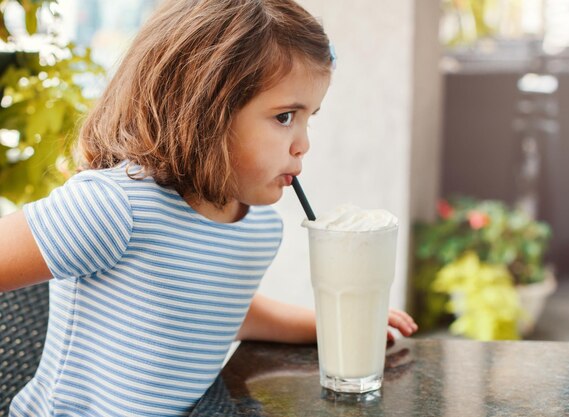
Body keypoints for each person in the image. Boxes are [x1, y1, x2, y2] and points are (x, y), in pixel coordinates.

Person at [0, 1, 418, 416]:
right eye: (285, 116)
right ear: (204, 111)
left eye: (310, 117)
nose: (303, 144)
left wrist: (331, 326)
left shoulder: (258, 229)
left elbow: (215, 314)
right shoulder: (113, 208)